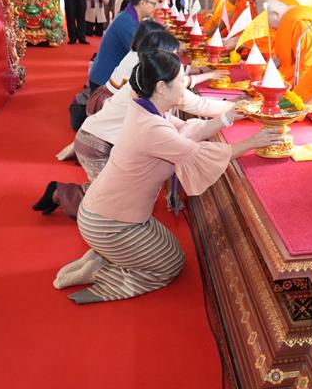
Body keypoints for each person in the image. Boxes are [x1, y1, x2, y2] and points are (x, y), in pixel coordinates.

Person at [51, 49, 283, 304]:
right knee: (170, 265)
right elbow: (198, 154)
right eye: (180, 80)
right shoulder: (152, 127)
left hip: (111, 212)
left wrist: (227, 117)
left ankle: (100, 258)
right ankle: (105, 272)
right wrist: (253, 141)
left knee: (169, 250)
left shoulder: (146, 110)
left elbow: (187, 131)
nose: (185, 86)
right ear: (162, 87)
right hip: (110, 222)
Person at [33, 29, 230, 219]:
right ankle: (60, 194)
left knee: (111, 190)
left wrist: (206, 78)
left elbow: (183, 84)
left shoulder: (146, 77)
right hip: (96, 143)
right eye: (173, 55)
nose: (175, 61)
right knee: (110, 200)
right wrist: (235, 108)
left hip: (99, 135)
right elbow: (200, 105)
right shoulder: (154, 86)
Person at [88, 0, 159, 92]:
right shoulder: (127, 22)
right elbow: (142, 55)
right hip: (104, 83)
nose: (156, 7)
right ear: (143, 3)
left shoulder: (128, 16)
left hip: (106, 77)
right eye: (153, 4)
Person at [256, 0, 312, 83]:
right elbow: (286, 56)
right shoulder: (292, 17)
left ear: (275, 13)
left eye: (268, 22)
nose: (270, 27)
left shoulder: (300, 23)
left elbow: (307, 64)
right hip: (299, 72)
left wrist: (282, 83)